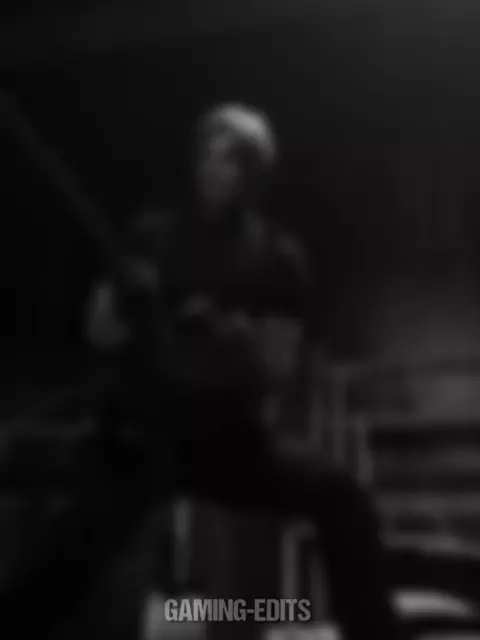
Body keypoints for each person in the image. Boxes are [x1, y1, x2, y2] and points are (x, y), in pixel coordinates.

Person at [3, 104, 406, 640]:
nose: (215, 170)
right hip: (142, 439)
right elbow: (99, 333)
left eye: (231, 160)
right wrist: (121, 301)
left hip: (228, 444)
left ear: (254, 173)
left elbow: (278, 367)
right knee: (70, 552)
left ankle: (375, 632)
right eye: (208, 157)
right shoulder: (151, 234)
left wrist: (226, 333)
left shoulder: (278, 256)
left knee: (341, 496)